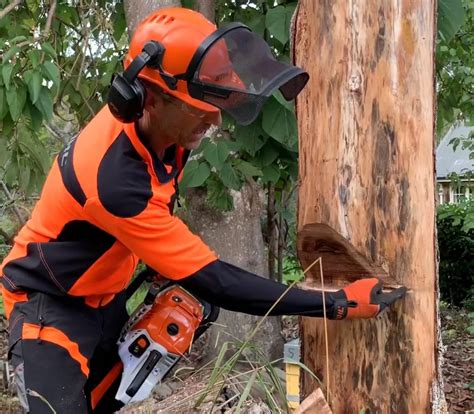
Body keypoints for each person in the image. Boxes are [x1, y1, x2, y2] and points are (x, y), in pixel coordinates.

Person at [0, 7, 406, 414]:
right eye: (197, 109)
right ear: (148, 100)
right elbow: (217, 281)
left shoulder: (166, 135)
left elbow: (154, 213)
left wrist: (158, 262)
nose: (212, 118)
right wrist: (333, 303)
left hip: (106, 295)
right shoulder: (113, 179)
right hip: (49, 305)